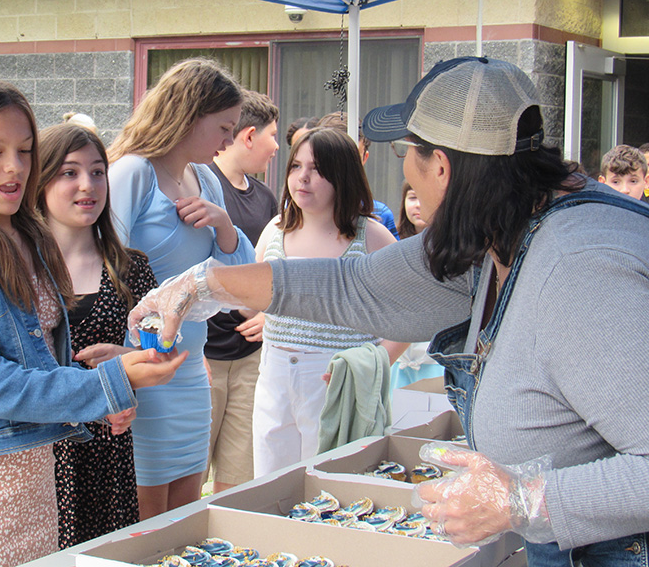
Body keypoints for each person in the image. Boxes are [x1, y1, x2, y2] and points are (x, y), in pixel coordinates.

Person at [130, 56, 649, 566]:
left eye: (405, 149)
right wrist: (206, 283)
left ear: (441, 167)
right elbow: (355, 285)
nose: (400, 167)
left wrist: (525, 500)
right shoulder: (503, 235)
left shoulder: (581, 267)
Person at [0, 78, 186, 567]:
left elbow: (42, 362)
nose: (14, 167)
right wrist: (112, 383)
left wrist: (105, 398)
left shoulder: (28, 241)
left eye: (25, 150)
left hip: (38, 483)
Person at [107, 58, 255, 519]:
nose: (230, 141)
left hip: (191, 372)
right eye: (224, 127)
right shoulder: (133, 173)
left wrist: (225, 226)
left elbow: (240, 281)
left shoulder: (206, 178)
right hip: (144, 370)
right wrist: (121, 356)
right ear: (189, 116)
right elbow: (105, 269)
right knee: (147, 522)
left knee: (186, 519)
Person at [252, 126, 397, 476]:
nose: (303, 178)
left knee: (331, 485)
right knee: (272, 485)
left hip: (335, 379)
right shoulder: (274, 230)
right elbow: (254, 294)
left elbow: (413, 307)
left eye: (316, 169)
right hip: (274, 376)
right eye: (296, 166)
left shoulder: (371, 236)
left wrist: (374, 361)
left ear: (342, 175)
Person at [37, 123, 156, 547]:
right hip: (37, 449)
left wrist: (127, 360)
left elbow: (157, 356)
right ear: (41, 180)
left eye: (97, 172)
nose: (87, 185)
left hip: (107, 454)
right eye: (69, 172)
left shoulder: (132, 269)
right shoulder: (15, 268)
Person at [204, 90, 279, 493]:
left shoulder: (266, 198)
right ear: (248, 136)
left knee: (238, 481)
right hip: (202, 356)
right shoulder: (201, 184)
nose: (277, 147)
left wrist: (270, 314)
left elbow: (274, 272)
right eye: (272, 135)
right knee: (189, 479)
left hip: (250, 359)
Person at [388, 180, 443, 390]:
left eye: (423, 197)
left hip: (434, 359)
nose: (417, 204)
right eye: (412, 197)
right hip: (400, 360)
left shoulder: (451, 252)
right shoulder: (394, 246)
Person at [317, 111, 400, 239]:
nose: (341, 166)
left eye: (352, 157)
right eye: (331, 157)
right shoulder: (297, 212)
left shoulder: (380, 215)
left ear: (364, 158)